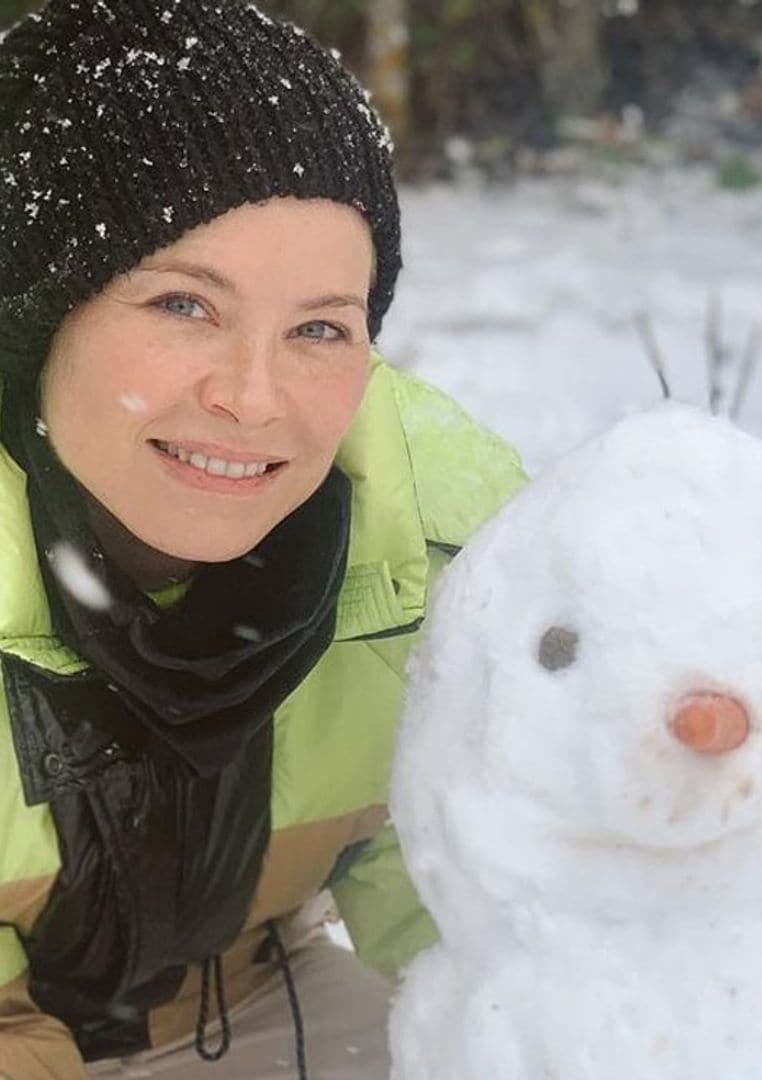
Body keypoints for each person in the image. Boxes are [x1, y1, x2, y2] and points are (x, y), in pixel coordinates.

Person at [0, 1, 526, 1077]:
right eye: (185, 305)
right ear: (32, 318)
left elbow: (485, 922)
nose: (253, 398)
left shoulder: (433, 553)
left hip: (254, 996)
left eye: (320, 327)